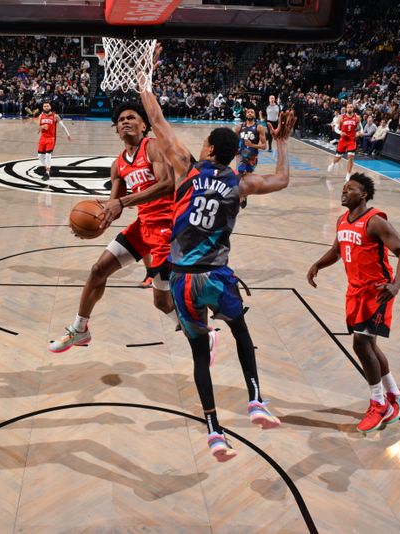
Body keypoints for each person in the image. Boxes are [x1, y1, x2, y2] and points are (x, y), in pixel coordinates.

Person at [140, 54, 295, 461]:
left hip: (182, 280)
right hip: (217, 276)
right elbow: (281, 180)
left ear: (208, 147)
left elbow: (157, 122)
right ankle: (256, 400)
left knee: (198, 354)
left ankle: (213, 432)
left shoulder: (186, 168)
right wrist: (281, 144)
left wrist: (145, 81)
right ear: (231, 153)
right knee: (241, 333)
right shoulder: (239, 182)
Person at [48, 101, 192, 353]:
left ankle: (197, 334)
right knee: (98, 270)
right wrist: (96, 221)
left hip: (167, 229)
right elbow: (114, 206)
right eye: (121, 119)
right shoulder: (118, 165)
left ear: (144, 125)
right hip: (143, 226)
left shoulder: (154, 147)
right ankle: (80, 329)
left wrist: (122, 202)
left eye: (132, 117)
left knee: (161, 302)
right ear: (117, 129)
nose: (125, 121)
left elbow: (168, 184)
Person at [306, 173, 400, 434]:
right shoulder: (343, 220)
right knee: (371, 347)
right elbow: (337, 250)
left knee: (361, 344)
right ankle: (396, 395)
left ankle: (379, 404)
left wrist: (396, 285)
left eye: (349, 189)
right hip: (355, 291)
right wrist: (318, 264)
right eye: (343, 188)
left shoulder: (375, 221)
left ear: (363, 195)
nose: (344, 192)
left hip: (377, 291)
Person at [35, 101, 72, 180]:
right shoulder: (41, 116)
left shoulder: (55, 116)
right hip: (43, 138)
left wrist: (68, 134)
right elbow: (38, 129)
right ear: (43, 108)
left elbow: (62, 126)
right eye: (44, 106)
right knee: (40, 156)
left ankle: (47, 173)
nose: (46, 107)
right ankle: (48, 167)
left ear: (50, 107)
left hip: (51, 138)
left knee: (48, 155)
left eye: (47, 106)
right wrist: (42, 127)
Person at [327, 103, 362, 180]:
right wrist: (340, 132)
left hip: (352, 140)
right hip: (343, 140)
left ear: (353, 108)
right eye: (348, 107)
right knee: (338, 157)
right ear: (346, 108)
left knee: (350, 157)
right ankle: (333, 163)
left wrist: (359, 133)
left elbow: (360, 128)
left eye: (351, 107)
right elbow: (336, 128)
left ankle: (348, 174)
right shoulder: (341, 117)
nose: (349, 108)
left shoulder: (357, 117)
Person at [234, 108, 266, 175]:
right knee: (239, 175)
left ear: (254, 115)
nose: (250, 113)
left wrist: (252, 145)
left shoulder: (259, 127)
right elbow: (234, 142)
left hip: (252, 157)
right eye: (248, 112)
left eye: (252, 112)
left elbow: (264, 146)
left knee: (248, 177)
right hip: (241, 156)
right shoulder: (239, 127)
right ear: (246, 114)